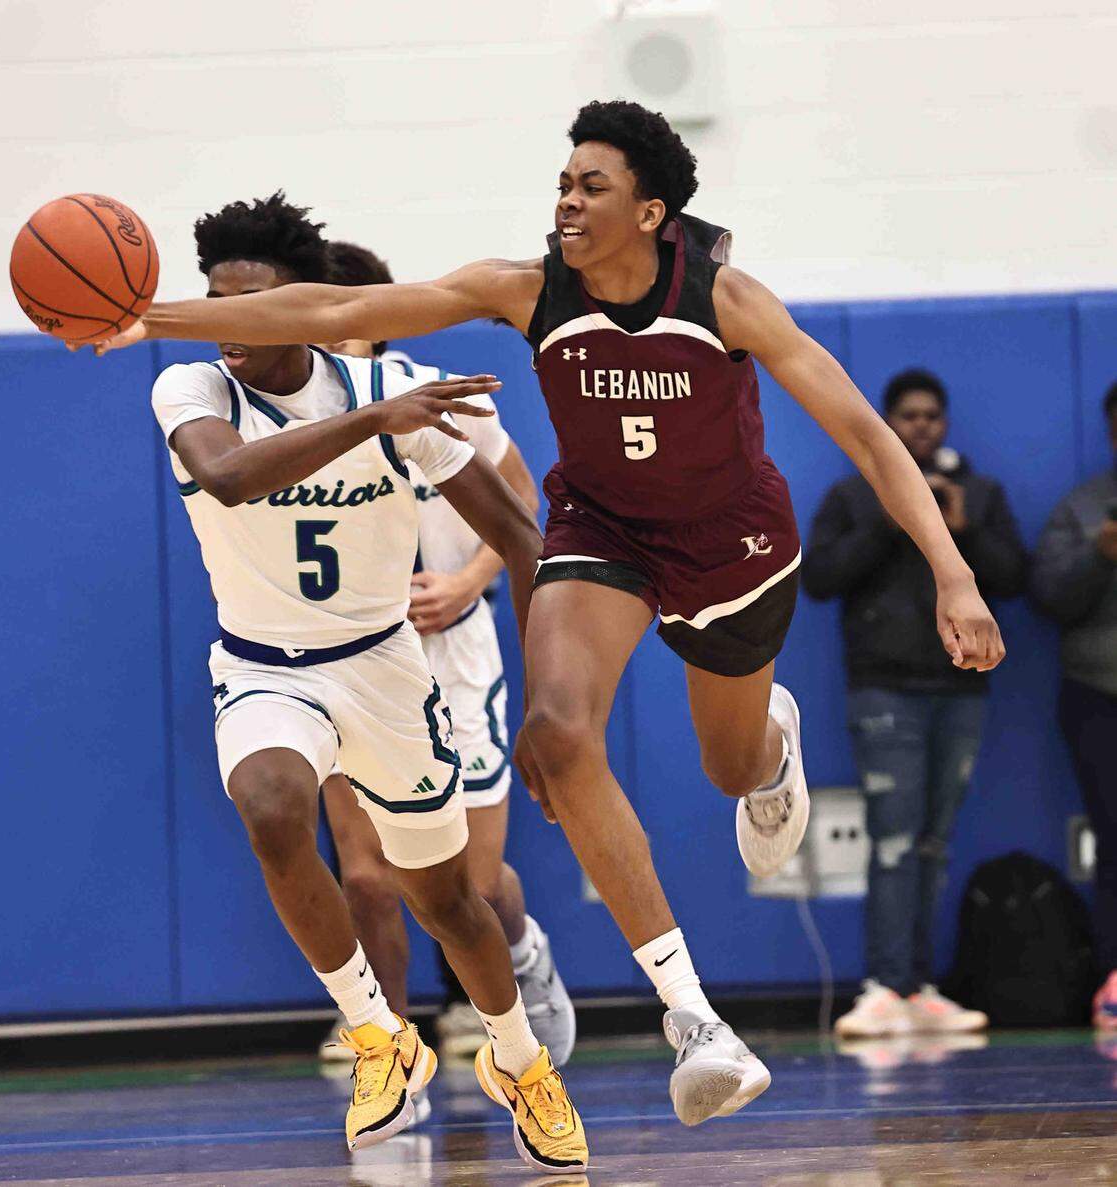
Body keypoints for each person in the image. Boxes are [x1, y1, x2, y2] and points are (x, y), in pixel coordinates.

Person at [93, 101, 1006, 1127]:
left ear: (651, 213)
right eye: (564, 182)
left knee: (729, 763)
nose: (567, 200)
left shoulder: (727, 300)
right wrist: (146, 319)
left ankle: (770, 748)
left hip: (730, 542)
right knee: (561, 736)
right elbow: (332, 307)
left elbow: (870, 436)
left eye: (592, 186)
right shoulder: (525, 289)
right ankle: (695, 1018)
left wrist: (954, 574)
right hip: (602, 528)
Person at [147, 193, 586, 1172]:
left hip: (386, 667)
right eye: (215, 302)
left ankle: (521, 1061)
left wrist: (551, 705)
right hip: (264, 666)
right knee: (276, 810)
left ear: (305, 306)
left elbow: (521, 534)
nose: (228, 324)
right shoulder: (192, 385)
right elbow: (229, 477)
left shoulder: (396, 389)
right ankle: (378, 1034)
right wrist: (370, 425)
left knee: (452, 898)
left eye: (253, 305)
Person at [315, 240, 576, 1067]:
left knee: (470, 882)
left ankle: (522, 952)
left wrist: (467, 580)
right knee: (366, 877)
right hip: (348, 660)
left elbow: (524, 502)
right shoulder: (291, 416)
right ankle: (385, 1042)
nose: (332, 324)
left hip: (454, 654)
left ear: (379, 316)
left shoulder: (441, 395)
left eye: (347, 307)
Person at [802, 368, 1026, 1037]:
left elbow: (1016, 577)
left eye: (932, 416)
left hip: (959, 689)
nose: (921, 426)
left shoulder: (978, 494)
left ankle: (921, 987)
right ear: (889, 423)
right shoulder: (854, 494)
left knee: (935, 842)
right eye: (909, 416)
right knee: (893, 841)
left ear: (945, 424)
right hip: (885, 690)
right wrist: (893, 517)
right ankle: (884, 985)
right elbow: (819, 577)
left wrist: (961, 530)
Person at [1031, 381, 1117, 1033]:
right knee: (1113, 837)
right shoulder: (1083, 509)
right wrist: (1099, 556)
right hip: (1098, 693)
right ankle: (1115, 974)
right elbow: (1048, 597)